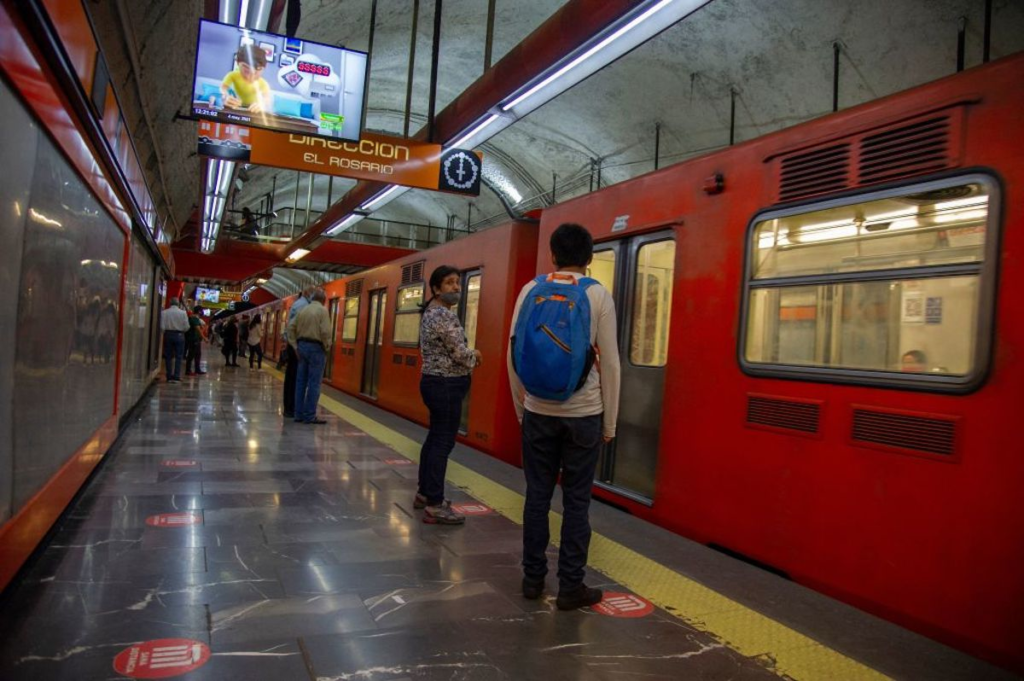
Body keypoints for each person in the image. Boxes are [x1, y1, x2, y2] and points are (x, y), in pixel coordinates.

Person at [507, 223, 621, 611]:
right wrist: (610, 423)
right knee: (576, 502)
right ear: (589, 259)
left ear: (553, 254)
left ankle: (532, 578)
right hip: (584, 415)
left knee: (536, 497)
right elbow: (612, 365)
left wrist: (522, 409)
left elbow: (513, 353)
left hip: (538, 411)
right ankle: (571, 586)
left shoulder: (529, 289)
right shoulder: (598, 295)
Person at [414, 266, 482, 525]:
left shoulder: (431, 313)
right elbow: (459, 353)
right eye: (449, 283)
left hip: (435, 383)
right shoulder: (443, 315)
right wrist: (475, 354)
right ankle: (435, 504)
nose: (456, 287)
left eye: (457, 283)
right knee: (443, 442)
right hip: (446, 385)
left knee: (434, 438)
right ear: (436, 289)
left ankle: (424, 493)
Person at [288, 288, 332, 424]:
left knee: (300, 382)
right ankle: (309, 415)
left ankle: (298, 414)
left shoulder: (303, 310)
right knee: (314, 383)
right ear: (323, 300)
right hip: (316, 348)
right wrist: (327, 347)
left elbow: (290, 328)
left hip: (301, 347)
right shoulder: (323, 311)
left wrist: (295, 346)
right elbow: (325, 332)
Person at [282, 287, 314, 418]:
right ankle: (291, 408)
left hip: (293, 344)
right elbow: (293, 327)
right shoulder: (303, 305)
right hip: (295, 345)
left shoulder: (300, 303)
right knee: (295, 378)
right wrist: (295, 347)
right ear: (307, 293)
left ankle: (290, 407)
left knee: (292, 377)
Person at [220, 45, 272, 113]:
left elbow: (267, 99)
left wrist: (262, 104)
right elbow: (223, 87)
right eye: (246, 68)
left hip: (254, 111)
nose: (251, 74)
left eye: (258, 70)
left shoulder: (263, 83)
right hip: (234, 108)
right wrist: (225, 96)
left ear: (264, 68)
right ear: (238, 63)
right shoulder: (233, 75)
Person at [160, 298, 190, 383]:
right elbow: (187, 326)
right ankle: (176, 376)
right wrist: (181, 331)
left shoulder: (164, 312)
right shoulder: (183, 313)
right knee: (179, 356)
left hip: (168, 335)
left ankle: (169, 375)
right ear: (178, 304)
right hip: (179, 335)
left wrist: (166, 332)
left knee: (168, 356)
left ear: (170, 303)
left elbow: (162, 326)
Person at [185, 305, 208, 376]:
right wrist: (204, 338)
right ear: (199, 311)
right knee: (191, 355)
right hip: (193, 339)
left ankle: (197, 369)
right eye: (201, 311)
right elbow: (198, 330)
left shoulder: (195, 318)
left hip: (196, 339)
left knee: (198, 354)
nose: (202, 312)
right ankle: (188, 371)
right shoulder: (194, 318)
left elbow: (200, 328)